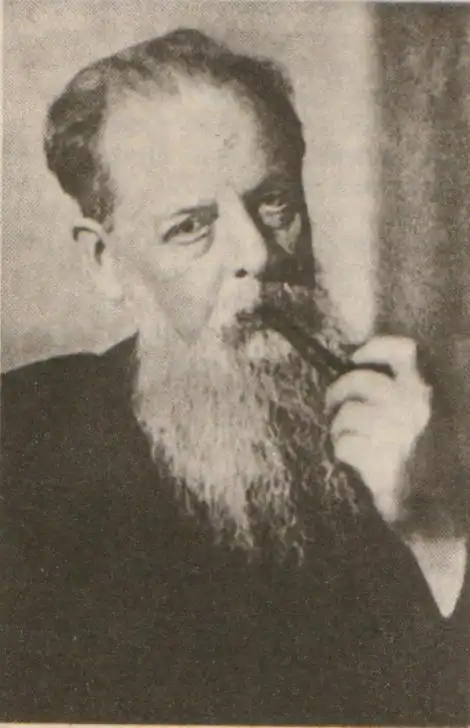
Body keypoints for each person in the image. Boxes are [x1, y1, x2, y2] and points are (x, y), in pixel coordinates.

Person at [2, 29, 468, 725]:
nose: (258, 253)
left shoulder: (418, 425)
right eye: (191, 226)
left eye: (275, 202)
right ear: (105, 262)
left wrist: (432, 528)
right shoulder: (22, 446)